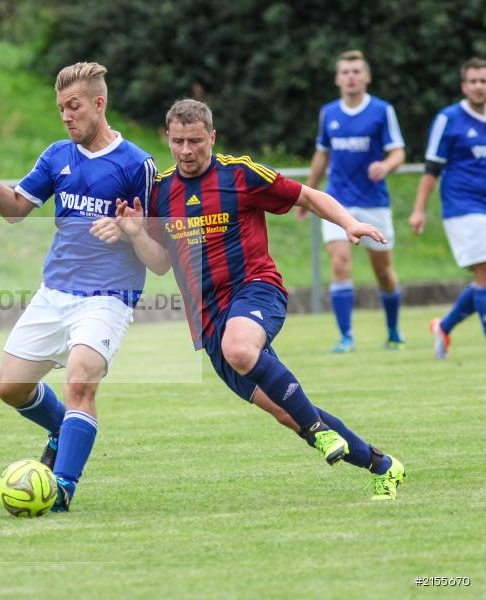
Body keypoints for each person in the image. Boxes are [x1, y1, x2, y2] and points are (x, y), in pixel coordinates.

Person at [94, 99, 405, 500]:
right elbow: (158, 265)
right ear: (166, 139)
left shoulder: (240, 174)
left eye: (195, 141)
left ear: (212, 137)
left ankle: (319, 432)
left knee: (240, 348)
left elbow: (307, 196)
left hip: (255, 288)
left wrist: (349, 222)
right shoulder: (161, 193)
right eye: (177, 142)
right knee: (284, 411)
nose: (186, 151)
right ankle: (383, 465)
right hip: (207, 320)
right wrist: (136, 233)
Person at [0, 62, 156, 513]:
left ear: (98, 104)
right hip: (55, 293)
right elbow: (14, 210)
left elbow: (160, 257)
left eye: (74, 107)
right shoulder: (56, 156)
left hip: (108, 297)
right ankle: (59, 429)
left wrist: (132, 231)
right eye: (61, 109)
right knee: (10, 387)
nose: (66, 116)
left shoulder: (137, 164)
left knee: (80, 381)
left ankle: (62, 487)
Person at [301, 50, 406, 352]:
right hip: (338, 202)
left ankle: (393, 331)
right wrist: (307, 194)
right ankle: (346, 336)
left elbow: (398, 151)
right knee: (340, 263)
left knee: (383, 271)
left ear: (367, 77)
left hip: (374, 203)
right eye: (345, 72)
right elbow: (322, 154)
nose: (351, 77)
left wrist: (386, 166)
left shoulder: (382, 110)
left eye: (356, 71)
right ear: (337, 78)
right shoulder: (329, 113)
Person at [410, 57, 486, 358]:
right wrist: (419, 210)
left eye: (483, 80)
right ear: (463, 85)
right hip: (463, 206)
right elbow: (431, 169)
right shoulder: (449, 119)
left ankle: (444, 326)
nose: (479, 86)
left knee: (483, 274)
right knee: (483, 267)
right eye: (473, 81)